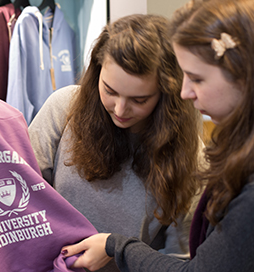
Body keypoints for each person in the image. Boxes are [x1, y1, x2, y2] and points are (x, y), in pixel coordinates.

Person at [61, 0, 254, 271]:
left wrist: (116, 246)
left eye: (196, 78)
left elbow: (189, 262)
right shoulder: (63, 109)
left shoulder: (225, 172)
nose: (185, 92)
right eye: (110, 91)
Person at [28, 13, 204, 272]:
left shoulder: (189, 154)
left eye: (139, 99)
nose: (120, 109)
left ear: (166, 94)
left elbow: (177, 260)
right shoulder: (64, 108)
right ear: (97, 71)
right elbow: (22, 195)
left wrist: (118, 252)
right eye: (109, 91)